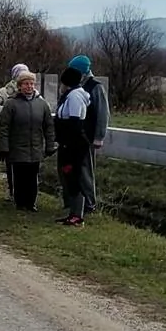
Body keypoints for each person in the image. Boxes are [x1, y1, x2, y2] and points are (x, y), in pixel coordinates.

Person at [0, 70, 56, 212]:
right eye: (26, 84)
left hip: (35, 147)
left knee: (32, 177)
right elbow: (4, 127)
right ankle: (20, 202)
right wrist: (3, 147)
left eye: (31, 84)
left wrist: (50, 145)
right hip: (17, 147)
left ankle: (31, 203)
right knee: (19, 176)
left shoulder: (42, 105)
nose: (29, 86)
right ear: (20, 86)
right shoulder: (11, 104)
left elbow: (48, 126)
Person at [67, 54, 109, 212]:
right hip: (75, 136)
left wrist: (99, 137)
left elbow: (102, 113)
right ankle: (76, 203)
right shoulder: (75, 85)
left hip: (88, 136)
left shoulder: (95, 87)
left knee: (85, 170)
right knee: (74, 170)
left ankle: (90, 203)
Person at [54, 66, 92, 226]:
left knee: (73, 175)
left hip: (73, 143)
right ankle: (73, 212)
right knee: (69, 175)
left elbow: (74, 122)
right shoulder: (70, 95)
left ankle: (77, 214)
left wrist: (67, 143)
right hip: (68, 141)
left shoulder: (75, 96)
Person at [0, 63, 30, 200]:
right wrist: (8, 112)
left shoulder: (31, 90)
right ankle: (12, 191)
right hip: (10, 133)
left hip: (27, 133)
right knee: (11, 164)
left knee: (27, 164)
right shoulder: (5, 91)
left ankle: (26, 192)